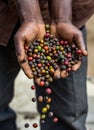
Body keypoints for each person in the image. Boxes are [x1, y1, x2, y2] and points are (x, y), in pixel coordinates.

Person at [0, 0, 94, 130]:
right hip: (5, 13)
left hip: (69, 14)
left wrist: (62, 18)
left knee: (67, 116)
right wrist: (31, 17)